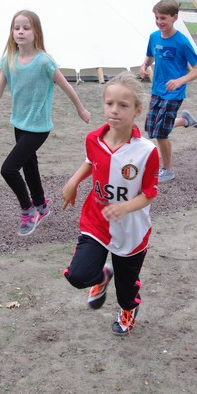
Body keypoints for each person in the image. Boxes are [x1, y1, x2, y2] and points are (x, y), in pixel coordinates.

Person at [0, 9, 91, 236]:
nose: (21, 32)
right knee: (29, 165)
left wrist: (80, 109)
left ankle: (28, 209)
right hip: (20, 124)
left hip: (38, 127)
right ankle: (41, 205)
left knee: (8, 169)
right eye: (17, 28)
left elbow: (66, 86)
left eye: (26, 27)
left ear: (36, 33)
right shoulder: (8, 61)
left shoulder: (44, 61)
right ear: (12, 32)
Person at [61, 71, 159, 336]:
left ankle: (128, 309)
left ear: (137, 110)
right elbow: (90, 162)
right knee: (78, 275)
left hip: (131, 230)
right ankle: (101, 275)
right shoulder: (93, 139)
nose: (114, 110)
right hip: (97, 220)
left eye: (123, 105)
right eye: (109, 103)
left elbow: (150, 193)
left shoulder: (146, 151)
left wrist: (124, 207)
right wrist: (73, 182)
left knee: (127, 288)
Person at [140, 0, 197, 182]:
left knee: (160, 133)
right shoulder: (154, 37)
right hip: (157, 90)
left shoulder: (182, 42)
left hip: (174, 93)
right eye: (157, 18)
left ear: (174, 17)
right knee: (151, 128)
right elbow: (150, 56)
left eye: (163, 18)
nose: (159, 22)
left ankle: (168, 170)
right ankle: (184, 120)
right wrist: (144, 65)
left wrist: (179, 81)